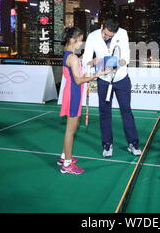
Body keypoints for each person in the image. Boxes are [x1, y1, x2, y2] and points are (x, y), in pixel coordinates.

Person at [82, 18, 142, 158]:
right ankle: (107, 144)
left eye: (111, 36)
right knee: (104, 113)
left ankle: (133, 143)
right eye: (106, 34)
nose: (108, 37)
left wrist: (116, 63)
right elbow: (86, 61)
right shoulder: (92, 36)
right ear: (102, 26)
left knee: (126, 111)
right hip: (103, 79)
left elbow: (126, 57)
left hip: (121, 78)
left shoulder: (123, 33)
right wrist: (94, 62)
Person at [59, 27, 107, 174]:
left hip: (73, 92)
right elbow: (79, 80)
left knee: (73, 126)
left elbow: (76, 72)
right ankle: (67, 165)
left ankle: (63, 157)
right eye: (80, 40)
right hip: (74, 94)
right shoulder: (72, 57)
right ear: (73, 40)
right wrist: (96, 75)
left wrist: (91, 63)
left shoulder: (69, 55)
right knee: (70, 131)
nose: (81, 43)